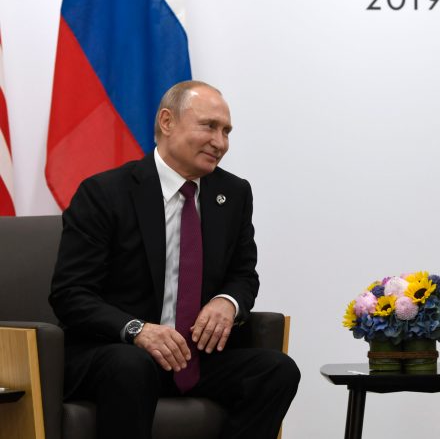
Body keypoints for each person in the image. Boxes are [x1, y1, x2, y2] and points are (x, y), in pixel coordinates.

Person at [49, 80, 300, 439]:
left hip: (194, 356)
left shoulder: (234, 193)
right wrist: (137, 330)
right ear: (167, 122)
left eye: (227, 131)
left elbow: (244, 275)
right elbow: (70, 294)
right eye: (209, 126)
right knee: (131, 365)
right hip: (116, 351)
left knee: (277, 370)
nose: (221, 142)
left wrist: (227, 302)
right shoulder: (104, 193)